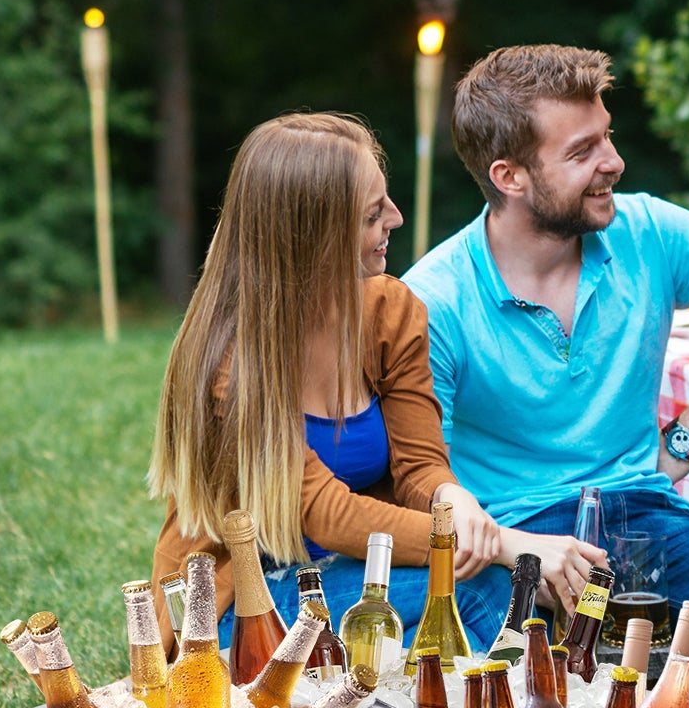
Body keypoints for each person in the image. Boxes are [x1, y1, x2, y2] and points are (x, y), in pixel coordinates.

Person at [400, 44, 689, 671]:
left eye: (607, 137)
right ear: (509, 176)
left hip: (644, 518)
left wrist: (687, 435)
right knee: (521, 698)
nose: (614, 163)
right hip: (512, 545)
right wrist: (515, 552)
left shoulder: (649, 231)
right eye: (581, 152)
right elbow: (419, 479)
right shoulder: (434, 300)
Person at [148, 112, 600, 652]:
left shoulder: (390, 311)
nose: (397, 218)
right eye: (371, 214)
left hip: (364, 566)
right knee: (487, 590)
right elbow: (324, 513)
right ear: (311, 233)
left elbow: (419, 464)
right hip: (243, 601)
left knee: (497, 597)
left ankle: (454, 703)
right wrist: (504, 544)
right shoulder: (229, 362)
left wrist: (449, 496)